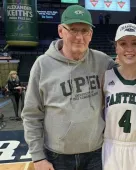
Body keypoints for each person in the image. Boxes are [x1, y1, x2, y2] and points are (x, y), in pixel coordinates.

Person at [21, 5, 116, 170]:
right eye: (73, 30)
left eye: (84, 31)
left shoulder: (103, 62)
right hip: (58, 157)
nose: (79, 37)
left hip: (96, 154)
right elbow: (31, 115)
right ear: (60, 31)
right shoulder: (43, 65)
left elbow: (128, 74)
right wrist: (38, 158)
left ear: (91, 34)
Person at [102, 23, 136, 170]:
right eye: (123, 43)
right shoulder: (105, 77)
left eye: (135, 43)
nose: (129, 49)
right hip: (111, 148)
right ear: (116, 48)